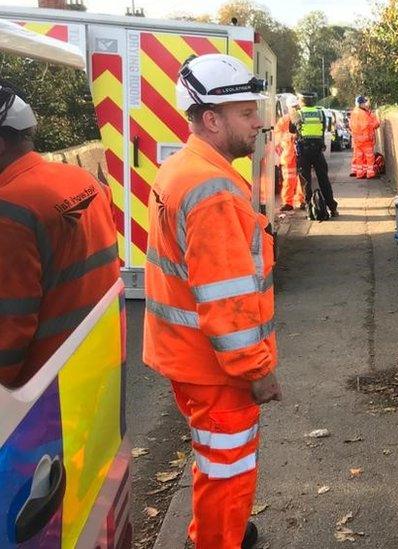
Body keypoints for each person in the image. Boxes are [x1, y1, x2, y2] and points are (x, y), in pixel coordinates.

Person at [143, 54, 282, 549]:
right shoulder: (214, 189)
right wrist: (257, 369)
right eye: (247, 114)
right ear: (211, 119)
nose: (259, 122)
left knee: (215, 459)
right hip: (218, 367)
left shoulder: (182, 167)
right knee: (230, 465)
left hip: (188, 355)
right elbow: (227, 301)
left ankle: (211, 534)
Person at [0, 83, 121, 388]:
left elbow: (11, 323)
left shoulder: (10, 210)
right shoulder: (82, 178)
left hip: (42, 388)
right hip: (95, 358)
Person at [294, 93, 338, 218]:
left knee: (306, 181)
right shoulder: (320, 113)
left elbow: (292, 130)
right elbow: (324, 128)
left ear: (302, 101)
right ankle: (332, 208)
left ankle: (310, 210)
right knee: (323, 179)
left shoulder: (298, 114)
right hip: (318, 150)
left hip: (304, 151)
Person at [275, 96, 302, 211]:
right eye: (293, 107)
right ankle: (288, 202)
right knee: (289, 180)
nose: (295, 109)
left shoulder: (301, 118)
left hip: (299, 154)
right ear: (288, 108)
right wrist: (291, 137)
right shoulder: (283, 121)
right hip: (289, 155)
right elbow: (277, 136)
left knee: (302, 180)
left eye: (296, 106)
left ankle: (301, 201)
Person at [349, 95, 380, 179]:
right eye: (364, 103)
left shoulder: (354, 112)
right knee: (369, 157)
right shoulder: (364, 114)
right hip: (366, 139)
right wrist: (376, 124)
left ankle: (359, 173)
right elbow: (368, 125)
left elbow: (351, 125)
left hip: (357, 139)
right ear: (362, 103)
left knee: (359, 157)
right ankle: (370, 173)